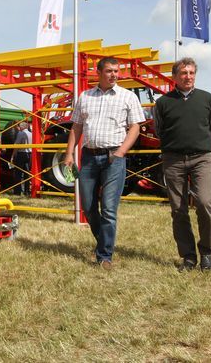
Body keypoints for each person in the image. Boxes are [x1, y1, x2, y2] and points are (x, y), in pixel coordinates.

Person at [64, 57, 144, 270]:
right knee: (88, 207)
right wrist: (69, 153)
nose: (114, 75)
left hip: (114, 158)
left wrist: (120, 152)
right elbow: (77, 126)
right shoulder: (85, 96)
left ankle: (104, 256)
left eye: (116, 71)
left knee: (108, 208)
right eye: (109, 71)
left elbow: (135, 127)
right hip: (88, 157)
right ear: (98, 72)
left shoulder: (127, 96)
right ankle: (104, 241)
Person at [153, 57, 211, 272]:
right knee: (178, 209)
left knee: (204, 202)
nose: (188, 76)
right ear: (174, 77)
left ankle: (207, 252)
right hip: (173, 160)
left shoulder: (208, 99)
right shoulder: (163, 103)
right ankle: (188, 257)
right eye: (183, 73)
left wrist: (203, 145)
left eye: (191, 73)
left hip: (201, 158)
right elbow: (158, 129)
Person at [10, 121, 32, 196]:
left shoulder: (20, 133)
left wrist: (13, 155)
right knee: (27, 173)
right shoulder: (31, 134)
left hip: (21, 154)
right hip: (29, 154)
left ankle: (17, 191)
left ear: (22, 127)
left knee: (18, 173)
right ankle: (27, 191)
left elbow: (16, 145)